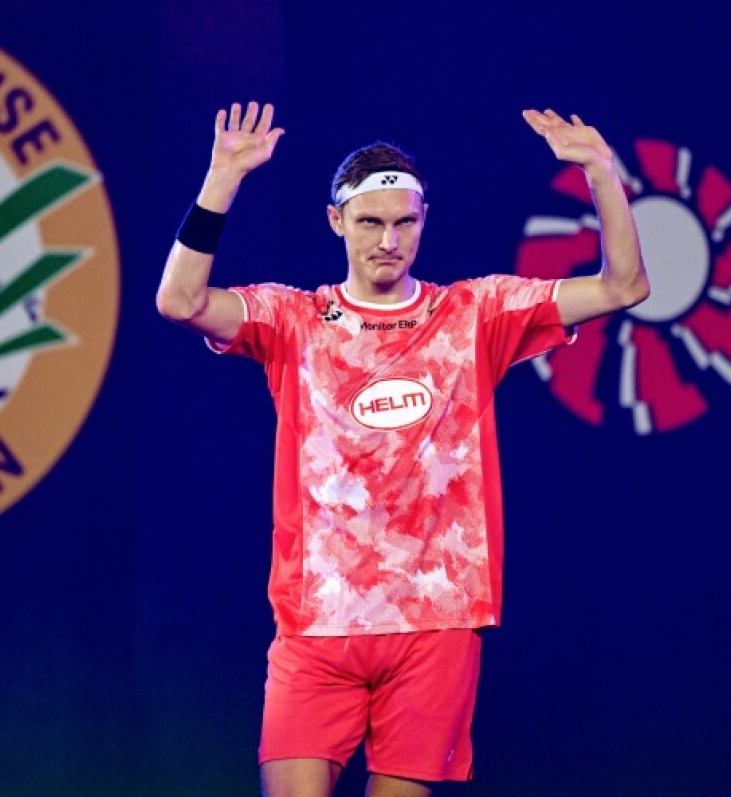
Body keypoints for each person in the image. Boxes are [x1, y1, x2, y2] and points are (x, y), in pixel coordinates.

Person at [156, 102, 649, 797]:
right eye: (370, 222)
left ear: (423, 221)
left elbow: (624, 287)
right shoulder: (295, 320)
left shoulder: (475, 314)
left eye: (404, 222)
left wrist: (601, 172)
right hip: (316, 624)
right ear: (337, 221)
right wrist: (220, 181)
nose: (388, 240)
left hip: (436, 625)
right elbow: (178, 301)